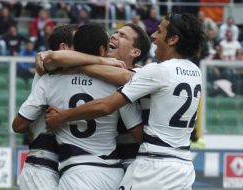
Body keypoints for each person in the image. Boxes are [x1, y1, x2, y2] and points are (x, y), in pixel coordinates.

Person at [44, 13, 206, 189]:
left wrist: (63, 116)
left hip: (153, 167)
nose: (153, 35)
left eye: (159, 32)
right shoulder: (195, 71)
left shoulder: (156, 72)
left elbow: (106, 105)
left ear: (173, 39)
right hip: (182, 167)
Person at [21, 23, 145, 190]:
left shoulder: (143, 75)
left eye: (122, 36)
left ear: (135, 52)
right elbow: (53, 59)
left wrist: (63, 115)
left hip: (132, 167)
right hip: (111, 170)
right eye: (114, 33)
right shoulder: (111, 83)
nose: (113, 36)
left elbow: (125, 79)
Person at [12, 24, 78, 190]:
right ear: (64, 48)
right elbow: (18, 125)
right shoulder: (48, 71)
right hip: (43, 165)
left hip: (69, 167)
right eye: (79, 43)